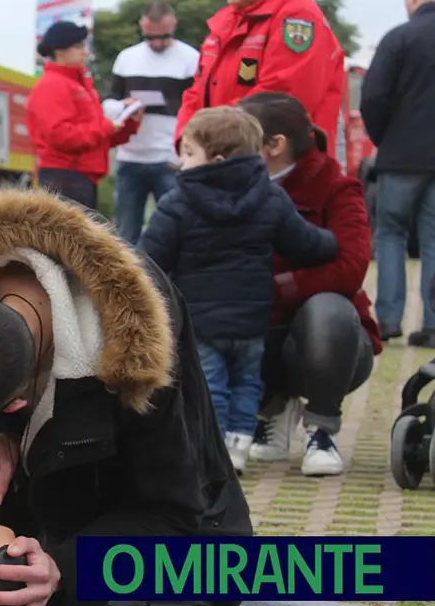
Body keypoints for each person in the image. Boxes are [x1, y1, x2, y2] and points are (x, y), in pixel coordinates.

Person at [0, 188, 252, 606]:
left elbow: (172, 514)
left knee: (49, 600)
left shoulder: (135, 355)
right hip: (61, 488)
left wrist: (63, 569)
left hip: (188, 529)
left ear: (18, 400)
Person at [140, 106, 338, 473]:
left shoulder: (178, 204)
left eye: (187, 153)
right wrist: (332, 241)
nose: (180, 162)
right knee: (248, 383)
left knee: (210, 385)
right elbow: (305, 244)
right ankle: (239, 445)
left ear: (215, 160)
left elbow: (148, 259)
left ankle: (213, 450)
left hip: (201, 323)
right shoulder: (271, 198)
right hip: (251, 322)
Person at [238, 93, 380, 476]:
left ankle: (321, 427)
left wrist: (280, 286)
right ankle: (271, 410)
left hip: (332, 342)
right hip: (254, 333)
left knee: (328, 309)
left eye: (242, 137)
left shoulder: (335, 186)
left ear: (274, 146)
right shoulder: (230, 185)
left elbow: (351, 268)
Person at [177, 0, 345, 156]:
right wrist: (187, 143)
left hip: (278, 169)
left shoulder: (298, 15)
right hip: (223, 160)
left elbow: (281, 99)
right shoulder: (226, 20)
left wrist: (209, 142)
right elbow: (196, 93)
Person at [360, 0, 435, 347]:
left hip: (401, 157)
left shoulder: (399, 38)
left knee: (391, 235)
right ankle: (433, 323)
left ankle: (389, 319)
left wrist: (385, 139)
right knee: (434, 239)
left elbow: (373, 97)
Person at [106, 1, 199, 244]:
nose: (157, 43)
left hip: (171, 158)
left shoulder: (191, 59)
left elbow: (200, 109)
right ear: (141, 27)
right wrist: (124, 106)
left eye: (164, 37)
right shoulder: (127, 58)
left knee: (177, 230)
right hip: (130, 158)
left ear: (174, 25)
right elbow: (107, 104)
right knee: (125, 235)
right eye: (150, 37)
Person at [26, 21, 140, 210]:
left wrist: (128, 124)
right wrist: (107, 127)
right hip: (65, 177)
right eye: (79, 46)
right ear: (60, 50)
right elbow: (61, 136)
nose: (85, 52)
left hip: (78, 177)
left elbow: (95, 137)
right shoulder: (53, 86)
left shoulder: (76, 85)